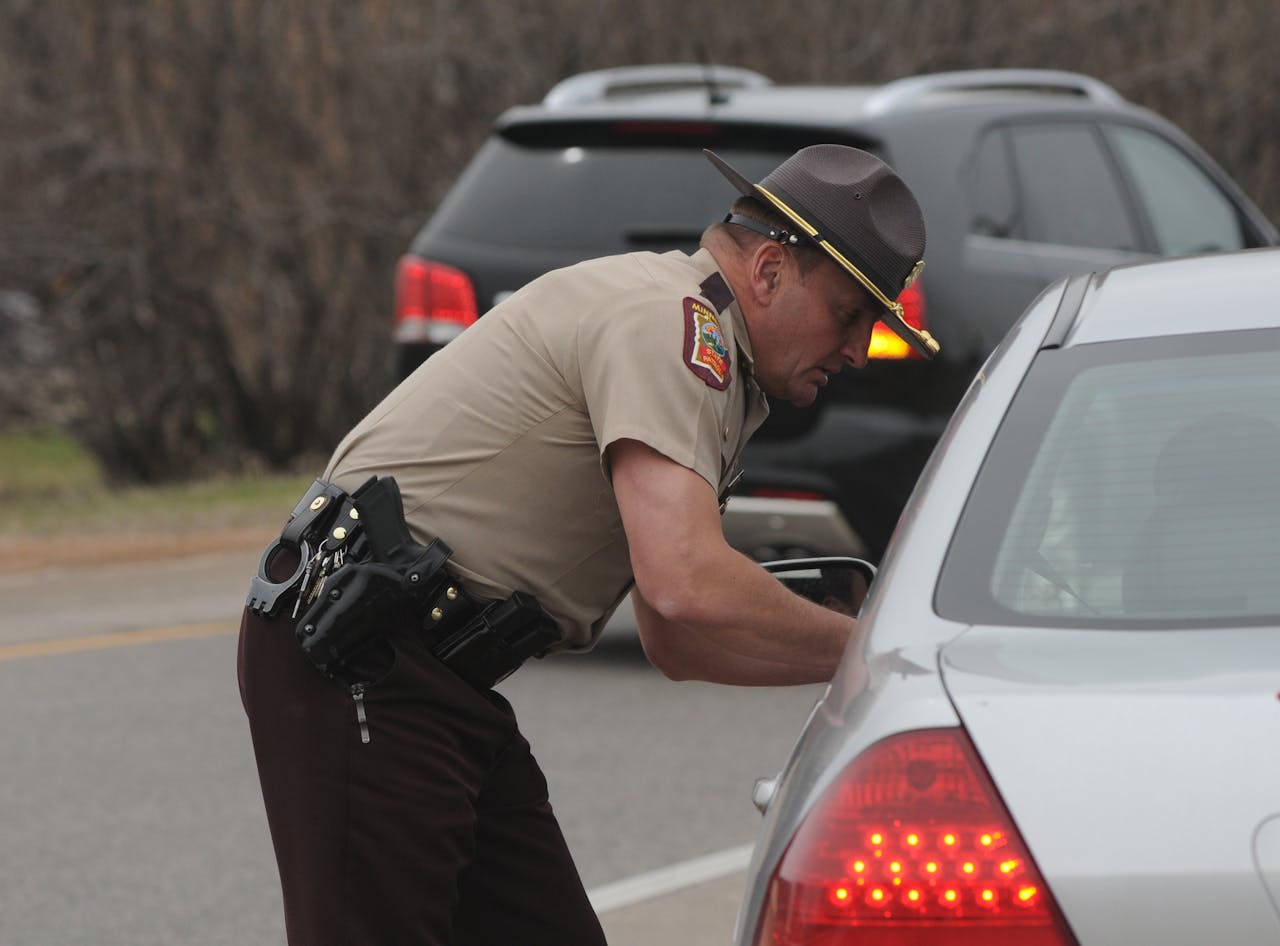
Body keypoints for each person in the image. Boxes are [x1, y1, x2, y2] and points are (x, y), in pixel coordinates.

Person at [236, 143, 936, 946]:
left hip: (431, 675)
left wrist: (859, 670)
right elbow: (685, 583)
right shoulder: (676, 327)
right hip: (362, 655)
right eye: (851, 314)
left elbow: (675, 639)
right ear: (771, 270)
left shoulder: (715, 354)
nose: (858, 349)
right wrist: (879, 647)